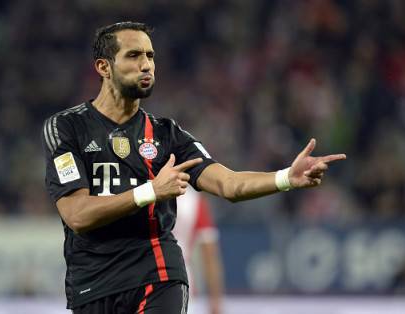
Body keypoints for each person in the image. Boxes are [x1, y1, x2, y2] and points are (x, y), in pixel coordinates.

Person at [42, 21, 346, 314]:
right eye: (133, 55)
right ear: (103, 67)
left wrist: (285, 178)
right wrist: (149, 191)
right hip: (92, 285)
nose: (146, 64)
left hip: (158, 276)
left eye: (150, 56)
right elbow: (77, 214)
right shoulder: (67, 128)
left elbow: (230, 184)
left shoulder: (167, 134)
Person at [173, 187, 223, 314]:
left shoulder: (144, 189)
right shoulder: (194, 200)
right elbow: (210, 255)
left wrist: (215, 301)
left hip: (145, 276)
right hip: (181, 279)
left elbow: (209, 254)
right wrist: (216, 301)